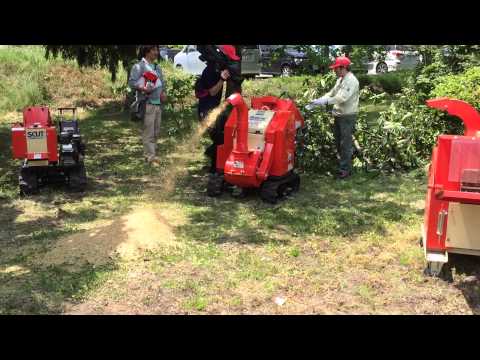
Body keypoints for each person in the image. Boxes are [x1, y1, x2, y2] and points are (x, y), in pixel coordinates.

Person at [306, 56, 359, 179]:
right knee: (338, 142)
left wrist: (324, 102)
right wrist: (319, 100)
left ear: (343, 68)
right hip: (338, 115)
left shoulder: (351, 80)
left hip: (347, 116)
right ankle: (344, 165)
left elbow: (341, 98)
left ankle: (345, 170)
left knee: (344, 143)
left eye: (336, 68)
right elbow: (332, 93)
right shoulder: (340, 79)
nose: (334, 70)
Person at [195, 45, 241, 173]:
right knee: (220, 139)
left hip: (212, 109)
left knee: (219, 138)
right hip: (206, 111)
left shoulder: (216, 70)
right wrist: (222, 79)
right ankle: (215, 167)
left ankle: (213, 163)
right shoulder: (210, 71)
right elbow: (213, 92)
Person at [128, 45, 167, 166]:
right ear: (147, 52)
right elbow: (132, 82)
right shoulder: (138, 66)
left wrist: (163, 93)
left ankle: (153, 155)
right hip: (147, 103)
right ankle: (150, 158)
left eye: (157, 50)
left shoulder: (157, 67)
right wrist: (143, 88)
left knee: (156, 131)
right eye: (154, 50)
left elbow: (162, 83)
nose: (156, 53)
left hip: (158, 104)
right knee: (148, 132)